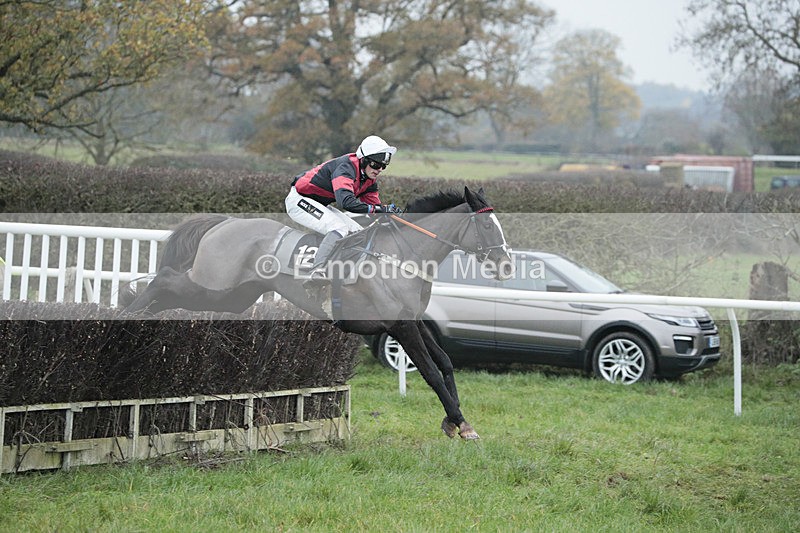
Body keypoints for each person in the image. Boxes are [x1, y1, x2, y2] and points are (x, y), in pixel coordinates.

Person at [285, 135, 401, 281]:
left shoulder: (370, 181)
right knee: (338, 228)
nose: (379, 170)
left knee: (358, 233)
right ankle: (316, 271)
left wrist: (393, 216)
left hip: (319, 203)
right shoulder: (345, 168)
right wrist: (380, 209)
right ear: (364, 160)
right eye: (376, 165)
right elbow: (346, 202)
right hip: (299, 200)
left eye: (383, 166)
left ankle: (340, 270)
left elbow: (375, 209)